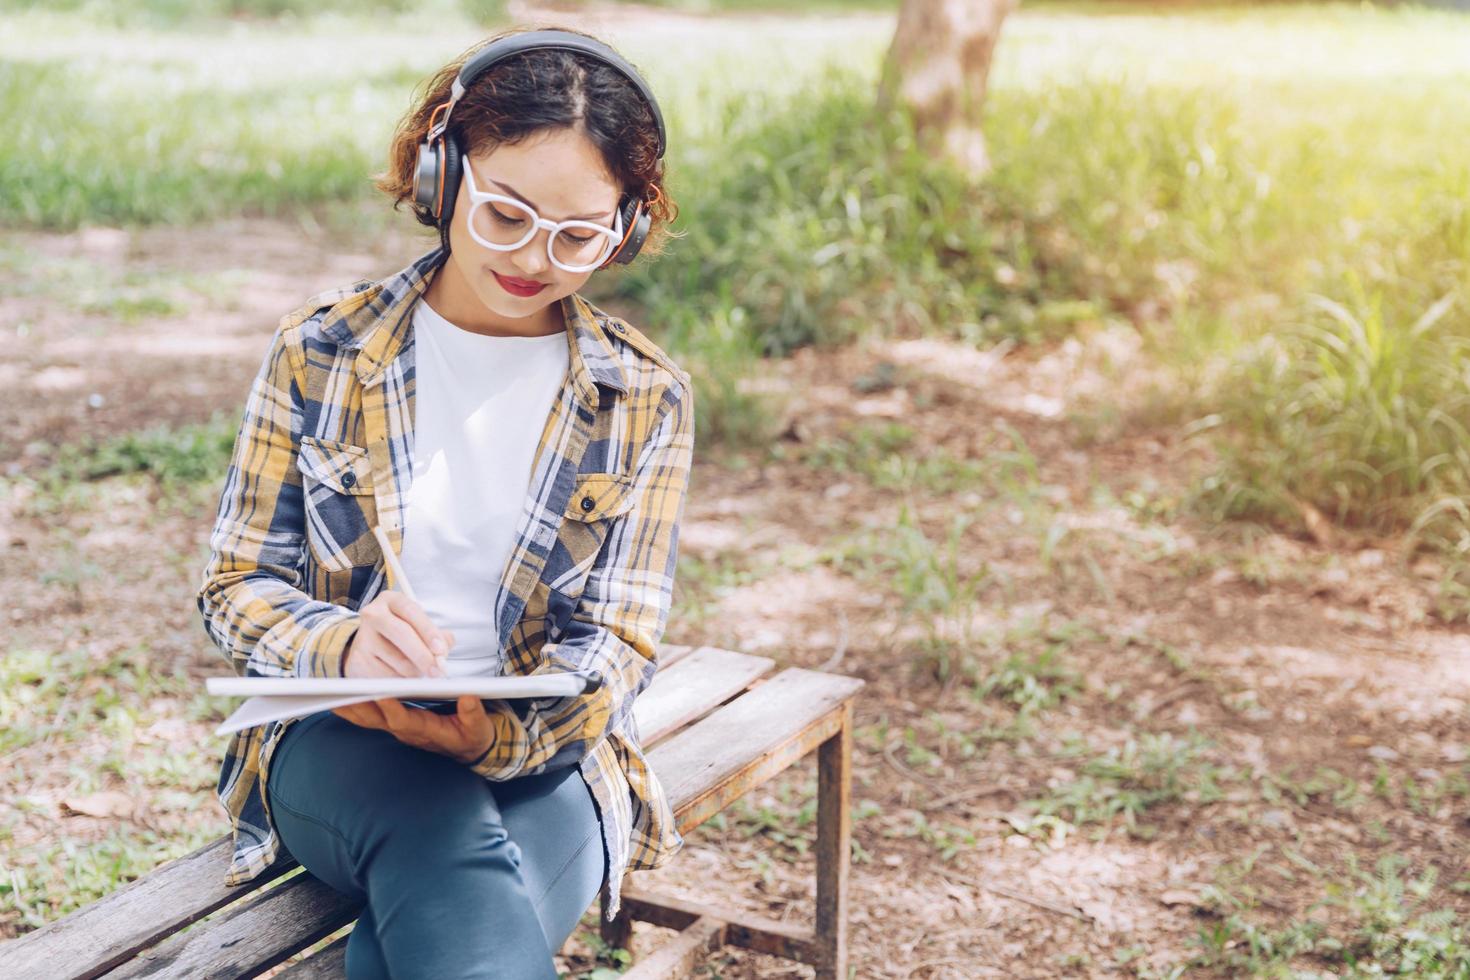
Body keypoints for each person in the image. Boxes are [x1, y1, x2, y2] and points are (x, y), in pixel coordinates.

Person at [195, 26, 692, 979]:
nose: (534, 258)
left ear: (624, 228)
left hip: (551, 754)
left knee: (418, 946)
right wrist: (339, 644)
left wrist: (495, 735)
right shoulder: (321, 350)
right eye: (505, 213)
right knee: (450, 863)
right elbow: (235, 584)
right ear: (440, 170)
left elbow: (620, 641)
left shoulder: (644, 394)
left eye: (578, 236)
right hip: (341, 742)